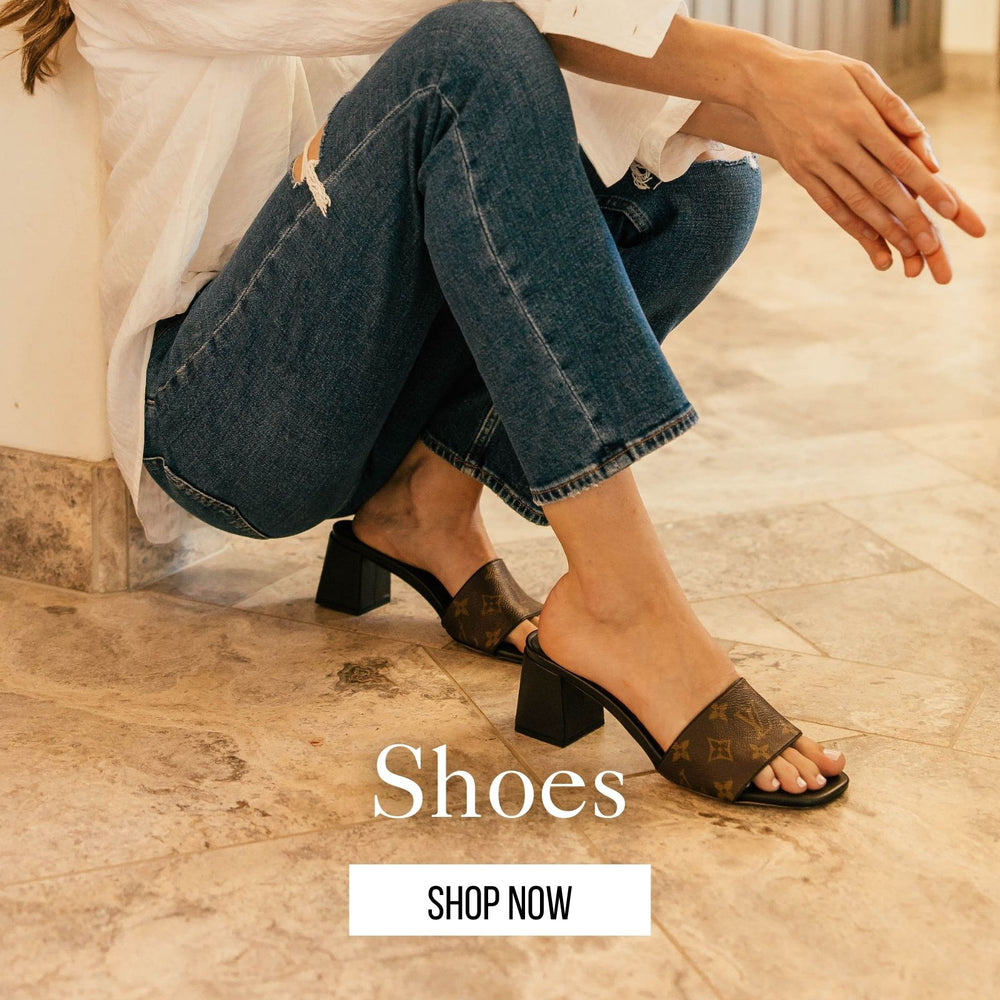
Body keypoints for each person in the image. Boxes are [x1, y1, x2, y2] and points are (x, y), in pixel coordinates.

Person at [3, 0, 984, 807]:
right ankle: (621, 603)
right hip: (223, 420)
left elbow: (576, 87)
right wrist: (760, 71)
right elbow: (469, 22)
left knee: (701, 185)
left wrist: (810, 126)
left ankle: (421, 506)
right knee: (470, 49)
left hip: (365, 384)